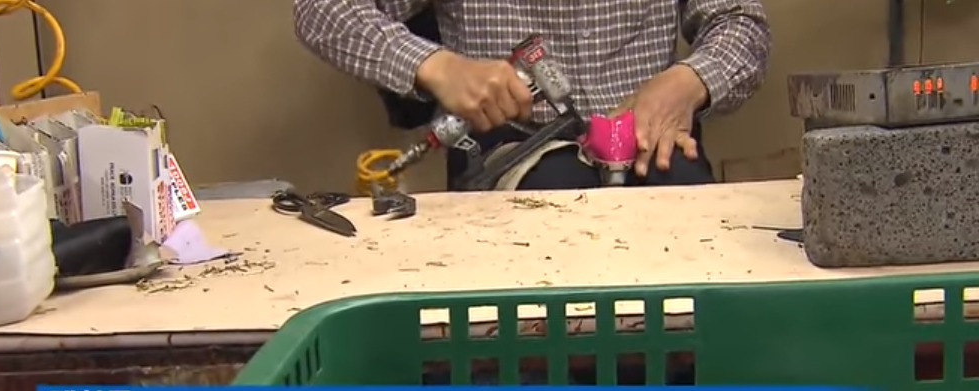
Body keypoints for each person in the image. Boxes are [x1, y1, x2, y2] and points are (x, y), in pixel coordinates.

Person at [294, 0, 772, 190]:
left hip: (654, 144)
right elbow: (321, 9)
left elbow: (740, 21)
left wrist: (689, 81)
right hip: (509, 150)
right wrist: (436, 66)